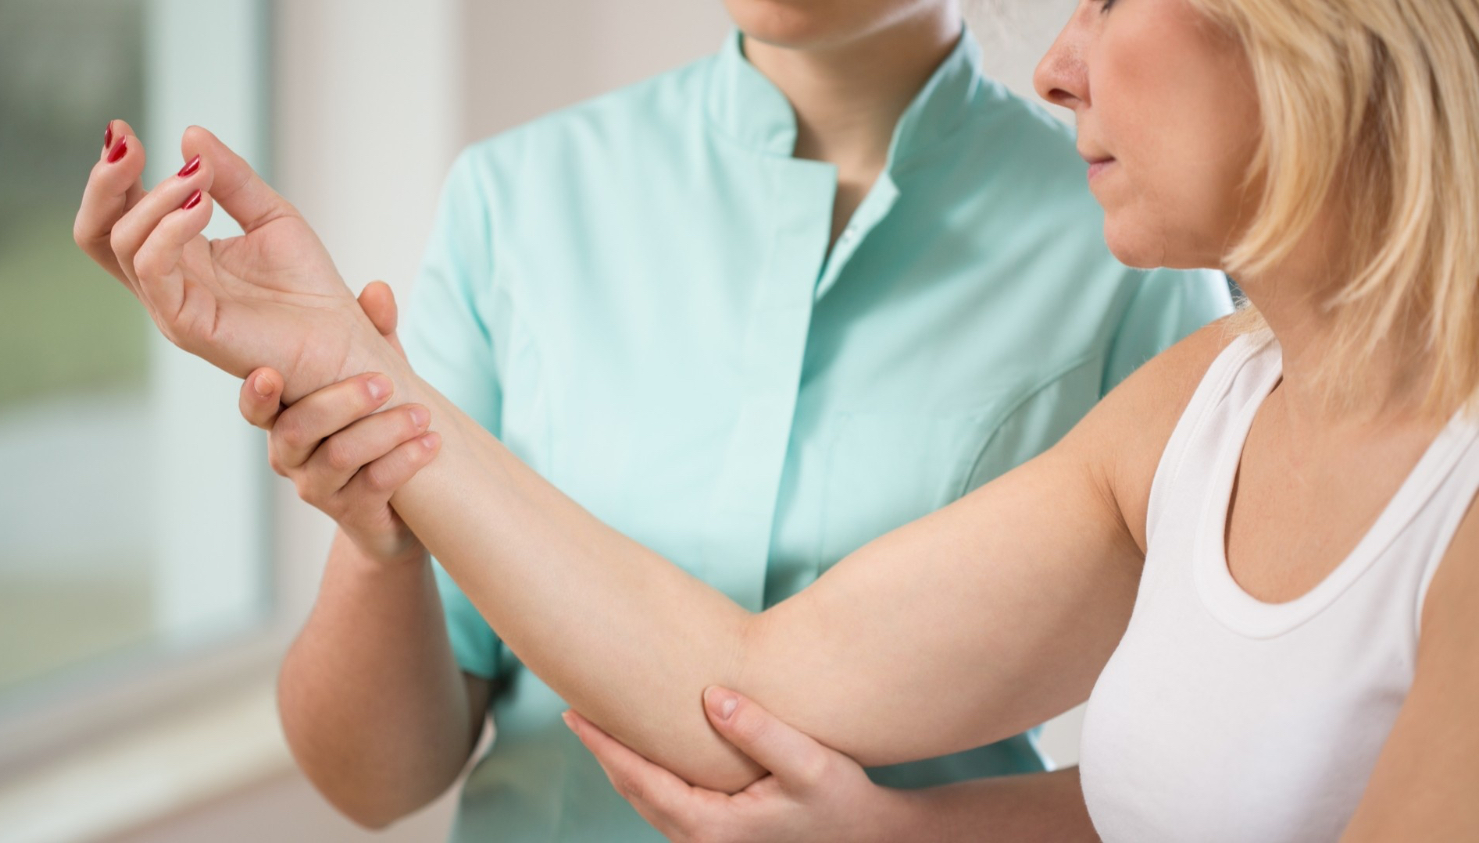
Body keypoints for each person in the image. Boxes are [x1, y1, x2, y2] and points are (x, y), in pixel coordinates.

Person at [75, 0, 1479, 839]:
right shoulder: (1213, 399)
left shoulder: (1139, 264)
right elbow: (752, 682)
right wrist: (345, 370)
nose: (1061, 64)